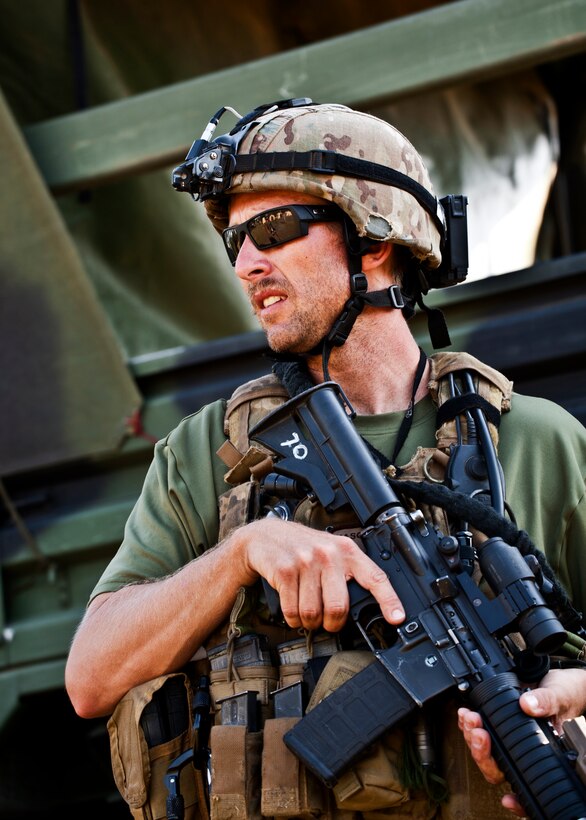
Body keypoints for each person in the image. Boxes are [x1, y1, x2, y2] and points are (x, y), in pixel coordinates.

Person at [65, 99, 586, 819]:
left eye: (274, 230)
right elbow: (92, 677)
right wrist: (240, 553)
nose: (246, 264)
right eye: (236, 241)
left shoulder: (535, 440)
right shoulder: (210, 450)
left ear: (374, 241)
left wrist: (572, 698)